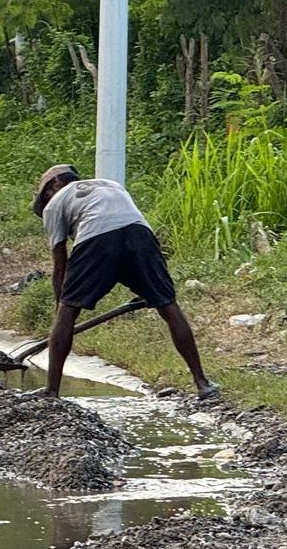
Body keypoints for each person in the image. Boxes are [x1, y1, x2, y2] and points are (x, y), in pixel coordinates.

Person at [31, 164, 216, 399]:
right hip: (140, 236)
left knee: (68, 311)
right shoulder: (110, 184)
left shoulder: (55, 204)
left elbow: (60, 262)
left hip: (96, 239)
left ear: (55, 185)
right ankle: (202, 383)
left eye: (46, 194)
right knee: (168, 305)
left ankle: (52, 391)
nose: (47, 199)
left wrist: (62, 308)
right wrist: (148, 288)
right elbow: (123, 231)